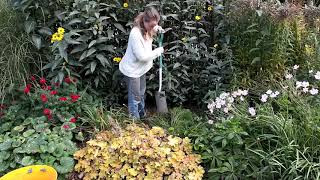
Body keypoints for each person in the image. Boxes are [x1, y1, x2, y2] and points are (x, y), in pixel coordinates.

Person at [119, 6, 164, 119]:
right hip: (132, 70)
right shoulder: (135, 34)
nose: (154, 27)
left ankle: (142, 115)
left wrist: (157, 29)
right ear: (144, 21)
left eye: (156, 24)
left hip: (141, 69)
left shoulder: (148, 28)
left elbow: (152, 32)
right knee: (135, 97)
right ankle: (134, 121)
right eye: (152, 25)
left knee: (141, 93)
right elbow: (142, 57)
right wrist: (158, 51)